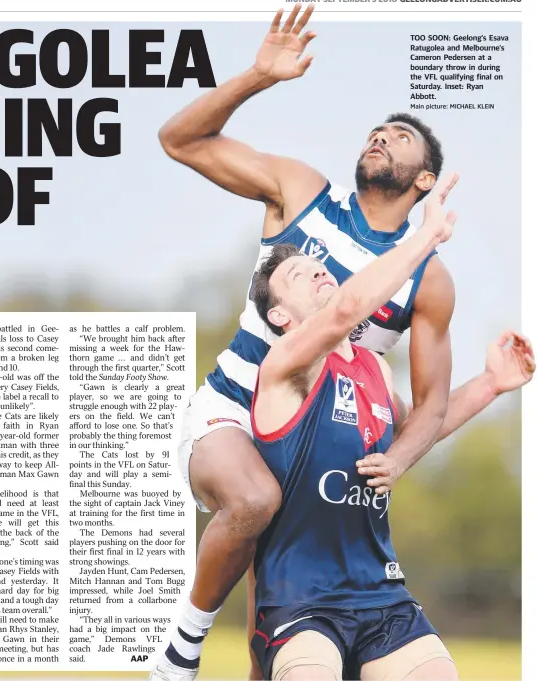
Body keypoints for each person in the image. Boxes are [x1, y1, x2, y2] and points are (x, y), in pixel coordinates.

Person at [153, 5, 460, 678]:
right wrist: (257, 77)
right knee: (253, 498)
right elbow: (178, 140)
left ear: (426, 180)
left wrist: (400, 459)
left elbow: (430, 404)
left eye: (400, 136)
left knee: (281, 640)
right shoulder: (301, 193)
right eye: (377, 130)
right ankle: (182, 644)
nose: (381, 136)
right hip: (234, 412)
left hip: (311, 444)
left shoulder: (428, 281)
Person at [246, 184, 531, 680]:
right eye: (297, 274)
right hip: (302, 602)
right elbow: (344, 312)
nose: (316, 269)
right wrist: (426, 236)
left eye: (317, 266)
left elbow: (424, 427)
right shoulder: (284, 365)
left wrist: (491, 384)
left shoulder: (373, 369)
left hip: (382, 596)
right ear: (280, 316)